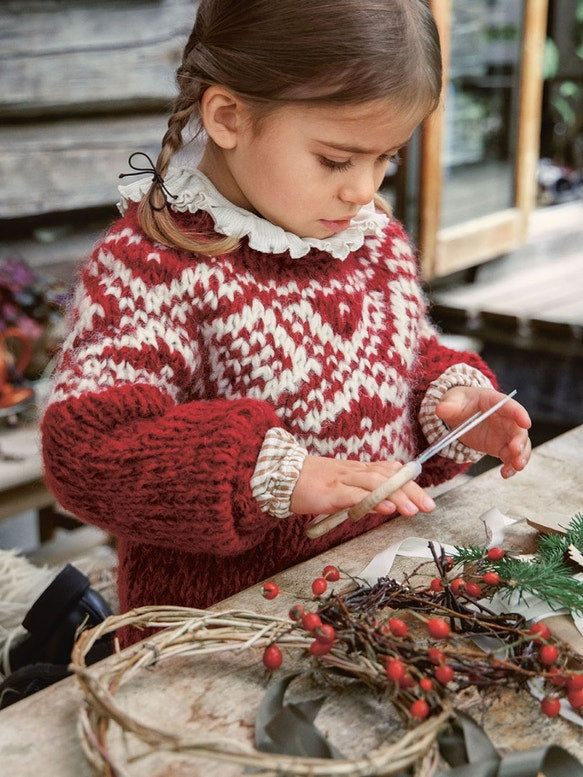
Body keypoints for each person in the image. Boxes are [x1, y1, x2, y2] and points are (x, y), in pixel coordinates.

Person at [41, 0, 531, 643]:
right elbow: (86, 450)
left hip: (372, 605)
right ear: (228, 118)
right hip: (221, 632)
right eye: (336, 160)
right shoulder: (153, 267)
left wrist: (449, 404)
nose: (363, 188)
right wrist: (264, 474)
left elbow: (396, 368)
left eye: (386, 158)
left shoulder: (371, 241)